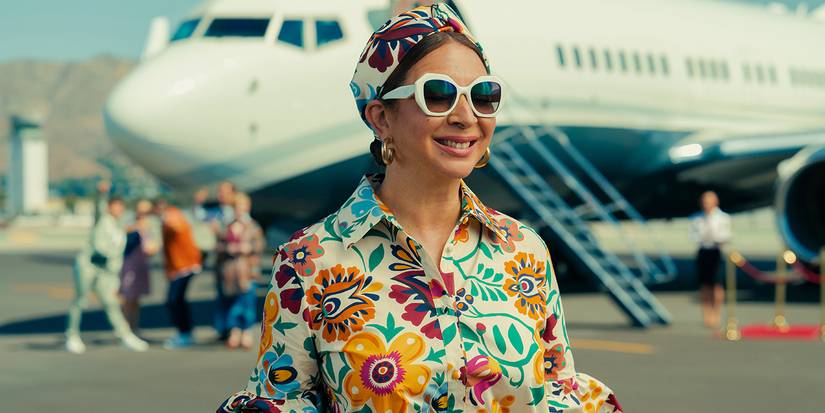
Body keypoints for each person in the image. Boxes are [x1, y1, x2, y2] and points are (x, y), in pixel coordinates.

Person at [217, 4, 622, 413]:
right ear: (381, 118)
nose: (466, 117)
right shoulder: (309, 260)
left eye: (483, 96)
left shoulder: (524, 251)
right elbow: (284, 401)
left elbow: (558, 394)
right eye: (439, 94)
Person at [65, 197, 148, 354]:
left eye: (120, 207)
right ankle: (72, 335)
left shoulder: (119, 226)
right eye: (115, 206)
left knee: (111, 303)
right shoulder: (102, 219)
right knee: (80, 300)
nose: (118, 210)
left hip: (105, 271)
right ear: (109, 207)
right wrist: (101, 194)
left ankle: (125, 336)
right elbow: (98, 206)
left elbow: (117, 249)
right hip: (88, 265)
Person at [218, 193, 265, 350]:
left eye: (242, 207)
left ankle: (246, 331)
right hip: (231, 272)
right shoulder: (228, 226)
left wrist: (249, 248)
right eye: (237, 207)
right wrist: (227, 248)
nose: (239, 210)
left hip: (247, 270)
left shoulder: (253, 226)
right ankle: (235, 331)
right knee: (232, 303)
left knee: (247, 302)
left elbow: (260, 245)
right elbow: (218, 246)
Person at [155, 199, 203, 349]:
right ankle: (186, 332)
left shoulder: (172, 216)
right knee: (178, 300)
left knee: (173, 300)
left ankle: (185, 333)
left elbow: (177, 227)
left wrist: (168, 221)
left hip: (184, 266)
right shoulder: (172, 217)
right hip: (179, 266)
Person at [689, 190, 732, 328]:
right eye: (704, 202)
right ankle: (706, 314)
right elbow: (694, 236)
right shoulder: (696, 218)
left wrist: (714, 236)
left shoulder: (723, 218)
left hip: (716, 251)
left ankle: (716, 314)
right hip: (703, 251)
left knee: (716, 284)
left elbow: (725, 236)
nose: (706, 205)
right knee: (704, 285)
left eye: (709, 202)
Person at [119, 199, 160, 334]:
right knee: (127, 297)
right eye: (141, 211)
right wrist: (137, 227)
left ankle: (134, 327)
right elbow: (121, 235)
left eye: (146, 212)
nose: (143, 215)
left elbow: (155, 245)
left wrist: (153, 247)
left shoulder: (152, 225)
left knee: (136, 298)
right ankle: (124, 328)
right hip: (128, 263)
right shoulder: (129, 222)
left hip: (141, 264)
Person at [211, 181, 237, 341]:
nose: (220, 195)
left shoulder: (237, 212)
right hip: (221, 260)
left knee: (234, 295)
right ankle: (223, 329)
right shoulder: (217, 212)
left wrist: (219, 232)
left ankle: (234, 328)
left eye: (224, 191)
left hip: (234, 262)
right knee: (222, 294)